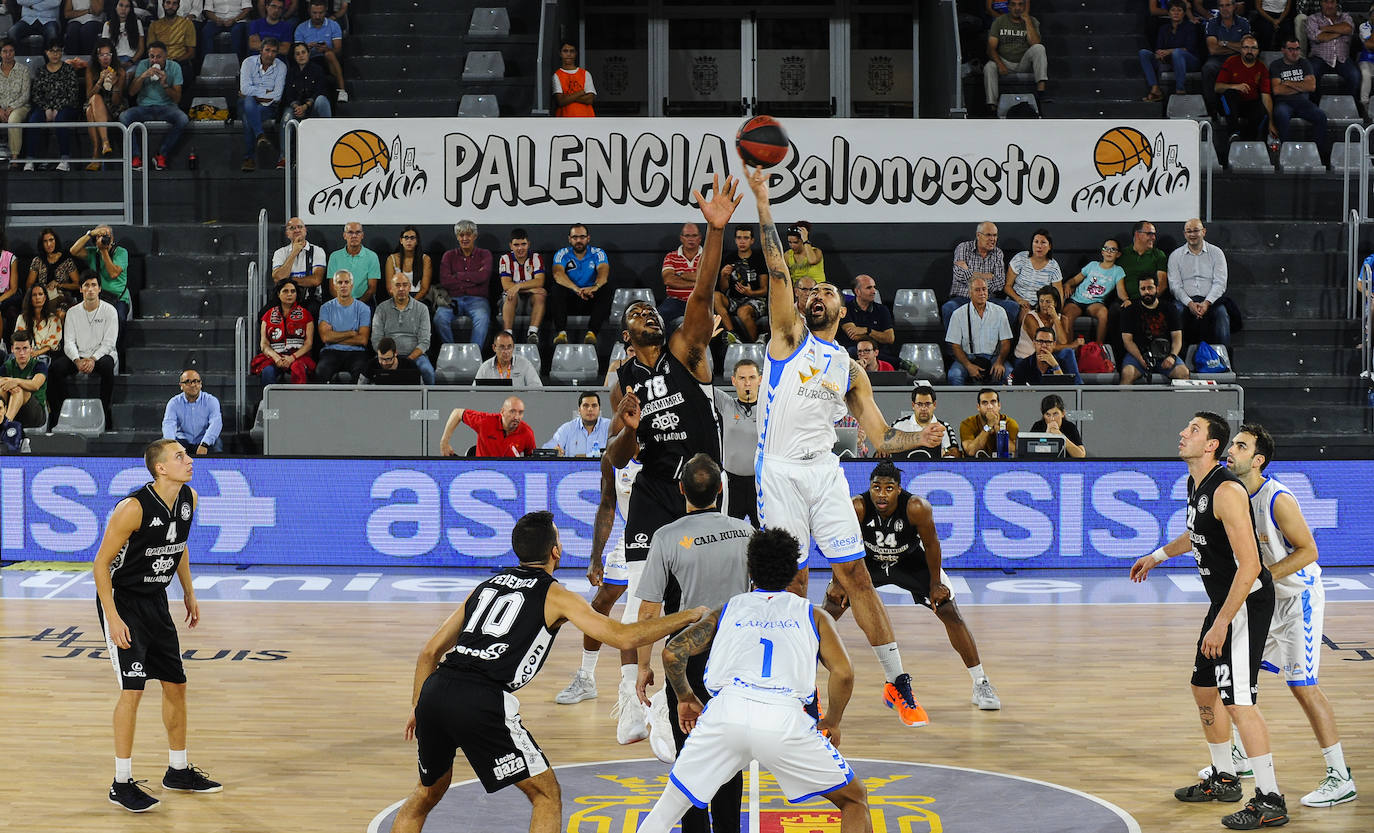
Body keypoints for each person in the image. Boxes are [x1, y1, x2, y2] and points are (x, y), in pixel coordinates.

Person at [743, 161, 931, 728]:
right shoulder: (787, 337)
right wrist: (763, 200)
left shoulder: (850, 368)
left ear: (844, 310)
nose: (817, 295)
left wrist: (920, 436)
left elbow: (879, 439)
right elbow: (777, 268)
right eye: (812, 292)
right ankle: (803, 689)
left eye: (828, 291)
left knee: (854, 576)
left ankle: (897, 681)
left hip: (825, 471)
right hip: (778, 471)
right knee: (795, 580)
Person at [390, 511, 707, 833]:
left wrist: (417, 706)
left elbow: (430, 652)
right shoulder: (556, 595)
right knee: (546, 793)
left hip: (435, 691)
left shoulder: (485, 587)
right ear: (555, 550)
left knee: (427, 792)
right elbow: (622, 636)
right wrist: (688, 616)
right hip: (480, 698)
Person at [605, 175, 739, 749]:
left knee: (700, 598)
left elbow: (703, 294)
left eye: (650, 309)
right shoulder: (623, 382)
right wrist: (629, 433)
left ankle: (698, 690)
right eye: (637, 311)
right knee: (642, 599)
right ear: (626, 334)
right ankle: (632, 699)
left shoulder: (685, 349)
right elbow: (615, 457)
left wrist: (715, 231)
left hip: (701, 486)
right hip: (655, 487)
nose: (647, 313)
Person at [635, 527, 870, 833]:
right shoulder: (814, 616)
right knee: (854, 800)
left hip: (725, 715)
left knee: (665, 813)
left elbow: (673, 652)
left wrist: (685, 698)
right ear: (795, 573)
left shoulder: (728, 609)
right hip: (783, 721)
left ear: (751, 570)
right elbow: (844, 673)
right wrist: (832, 721)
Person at [1129, 413, 1286, 831]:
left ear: (1212, 445)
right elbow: (1196, 534)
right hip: (1223, 604)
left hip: (1245, 604)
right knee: (1203, 688)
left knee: (1238, 702)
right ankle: (1225, 778)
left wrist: (1222, 623)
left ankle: (1270, 798)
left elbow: (1251, 564)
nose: (1183, 433)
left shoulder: (1227, 491)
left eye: (1193, 430)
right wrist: (1157, 556)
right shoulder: (1194, 484)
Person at [1213, 424, 1356, 809]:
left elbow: (1309, 550)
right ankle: (1243, 756)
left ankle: (1340, 776)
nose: (1231, 450)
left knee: (1302, 686)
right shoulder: (1233, 493)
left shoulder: (1277, 498)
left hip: (1297, 602)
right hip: (1267, 602)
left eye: (1240, 446)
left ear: (1258, 460)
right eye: (1232, 444)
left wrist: (1263, 578)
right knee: (1238, 678)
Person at [92, 439, 222, 813]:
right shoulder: (132, 508)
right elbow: (100, 565)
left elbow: (177, 546)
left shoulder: (189, 499)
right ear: (160, 468)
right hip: (124, 601)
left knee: (177, 685)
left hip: (156, 600)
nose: (188, 460)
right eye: (179, 456)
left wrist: (189, 592)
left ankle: (178, 770)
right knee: (133, 691)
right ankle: (121, 782)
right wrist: (113, 617)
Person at [825, 461, 1001, 710]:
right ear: (870, 488)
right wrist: (837, 582)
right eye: (876, 487)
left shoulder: (916, 507)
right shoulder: (858, 507)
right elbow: (838, 542)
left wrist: (936, 583)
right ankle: (800, 684)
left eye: (888, 488)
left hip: (909, 562)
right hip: (869, 564)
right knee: (830, 609)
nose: (882, 494)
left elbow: (931, 545)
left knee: (950, 611)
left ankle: (980, 682)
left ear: (898, 489)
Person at [634, 454, 752, 813]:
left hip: (686, 657)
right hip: (736, 654)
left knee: (691, 753)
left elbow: (649, 609)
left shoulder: (666, 537)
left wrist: (642, 666)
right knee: (730, 750)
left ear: (681, 488)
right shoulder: (746, 532)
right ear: (720, 488)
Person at [552, 450, 640, 706]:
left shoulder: (661, 450)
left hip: (665, 537)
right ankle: (587, 677)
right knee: (601, 603)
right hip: (632, 538)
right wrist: (596, 557)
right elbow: (606, 504)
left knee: (648, 612)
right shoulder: (613, 457)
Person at [46, 273, 117, 430]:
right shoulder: (72, 312)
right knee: (55, 369)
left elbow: (109, 343)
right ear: (81, 289)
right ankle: (63, 412)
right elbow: (69, 342)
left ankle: (105, 411)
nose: (90, 289)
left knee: (107, 365)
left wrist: (93, 359)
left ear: (99, 289)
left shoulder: (110, 311)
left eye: (93, 285)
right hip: (78, 356)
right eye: (86, 285)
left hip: (100, 356)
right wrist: (77, 360)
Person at [121, 40, 188, 171]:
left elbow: (177, 98)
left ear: (166, 57)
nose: (155, 60)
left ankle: (161, 154)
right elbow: (131, 92)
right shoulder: (143, 65)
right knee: (124, 117)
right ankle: (135, 157)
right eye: (152, 56)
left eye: (159, 57)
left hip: (167, 107)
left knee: (183, 119)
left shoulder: (174, 67)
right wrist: (142, 76)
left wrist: (165, 85)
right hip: (144, 108)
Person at [1169, 218, 1231, 350]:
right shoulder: (1175, 256)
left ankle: (1224, 359)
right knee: (1177, 312)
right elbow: (1175, 286)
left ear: (1204, 231)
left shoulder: (1216, 253)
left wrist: (1207, 303)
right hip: (1184, 301)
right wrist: (1189, 303)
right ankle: (1179, 357)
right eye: (1189, 231)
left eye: (1196, 230)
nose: (1192, 234)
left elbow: (1220, 282)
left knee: (1222, 314)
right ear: (1184, 234)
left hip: (1210, 300)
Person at [713, 358, 760, 525]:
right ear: (733, 381)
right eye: (742, 378)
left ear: (760, 379)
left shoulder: (769, 408)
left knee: (765, 537)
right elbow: (700, 383)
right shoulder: (726, 404)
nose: (747, 383)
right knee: (728, 533)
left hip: (760, 484)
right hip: (732, 485)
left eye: (752, 378)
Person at [21, 41, 81, 172]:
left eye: (58, 50)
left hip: (66, 106)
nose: (55, 54)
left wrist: (57, 108)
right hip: (44, 107)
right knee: (33, 121)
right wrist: (47, 108)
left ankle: (65, 159)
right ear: (46, 52)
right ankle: (30, 159)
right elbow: (36, 94)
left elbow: (72, 93)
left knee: (61, 119)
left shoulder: (68, 69)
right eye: (52, 51)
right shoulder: (41, 71)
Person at [434, 219, 493, 352]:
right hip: (452, 300)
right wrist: (473, 278)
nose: (465, 238)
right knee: (440, 318)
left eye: (468, 234)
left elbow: (483, 277)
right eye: (461, 235)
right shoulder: (448, 256)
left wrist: (458, 275)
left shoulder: (485, 254)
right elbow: (445, 281)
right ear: (457, 237)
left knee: (482, 318)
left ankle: (473, 354)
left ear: (475, 236)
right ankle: (452, 352)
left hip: (477, 300)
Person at [944, 222, 1018, 328]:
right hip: (963, 299)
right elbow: (959, 274)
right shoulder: (963, 248)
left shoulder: (998, 253)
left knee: (1012, 307)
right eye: (988, 235)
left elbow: (1000, 283)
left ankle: (997, 341)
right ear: (978, 235)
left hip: (988, 300)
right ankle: (955, 344)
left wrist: (969, 272)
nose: (993, 239)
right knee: (948, 308)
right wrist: (987, 276)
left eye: (995, 235)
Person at [1121, 273, 1189, 384]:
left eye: (1150, 288)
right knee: (1127, 373)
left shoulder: (1170, 308)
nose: (1146, 292)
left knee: (1183, 372)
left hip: (1165, 354)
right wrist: (1140, 359)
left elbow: (1177, 338)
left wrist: (1172, 356)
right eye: (1143, 289)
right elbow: (1127, 341)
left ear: (1157, 288)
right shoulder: (1130, 311)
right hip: (1139, 354)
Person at [945, 275, 1013, 386]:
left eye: (984, 289)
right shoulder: (958, 314)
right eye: (977, 290)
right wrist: (968, 366)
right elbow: (955, 346)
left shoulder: (1000, 312)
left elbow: (1006, 342)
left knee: (1010, 374)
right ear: (970, 293)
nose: (982, 293)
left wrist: (1000, 362)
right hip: (968, 357)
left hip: (994, 357)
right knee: (954, 375)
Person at [550, 223, 610, 345]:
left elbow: (603, 274)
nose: (578, 240)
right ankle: (561, 333)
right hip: (570, 299)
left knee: (605, 288)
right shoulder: (562, 253)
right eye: (575, 237)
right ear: (569, 239)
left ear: (588, 238)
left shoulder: (598, 253)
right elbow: (558, 275)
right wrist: (577, 289)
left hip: (591, 297)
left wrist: (594, 288)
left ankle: (592, 333)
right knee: (557, 289)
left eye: (582, 237)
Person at [1269, 38, 1328, 162]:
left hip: (1302, 103)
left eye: (1297, 49)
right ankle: (1286, 155)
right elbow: (1277, 90)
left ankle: (1317, 155)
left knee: (1321, 116)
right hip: (1283, 102)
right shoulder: (1276, 65)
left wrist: (1288, 83)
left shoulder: (1304, 63)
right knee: (1280, 114)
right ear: (1283, 50)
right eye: (1291, 49)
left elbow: (1311, 86)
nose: (1295, 52)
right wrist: (1301, 86)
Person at [371, 272, 434, 385]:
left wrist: (408, 360)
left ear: (409, 288)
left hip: (416, 356)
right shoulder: (381, 309)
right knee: (368, 371)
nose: (401, 288)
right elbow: (376, 340)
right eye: (397, 285)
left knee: (428, 371)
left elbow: (425, 341)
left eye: (405, 285)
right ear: (391, 289)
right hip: (387, 357)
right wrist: (389, 358)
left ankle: (431, 402)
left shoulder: (422, 309)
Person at [250, 277, 315, 385]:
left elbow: (308, 344)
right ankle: (271, 401)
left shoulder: (306, 315)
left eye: (293, 291)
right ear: (278, 294)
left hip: (298, 356)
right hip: (274, 356)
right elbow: (264, 344)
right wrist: (275, 357)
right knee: (267, 371)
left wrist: (292, 358)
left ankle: (298, 400)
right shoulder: (267, 315)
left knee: (298, 368)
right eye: (285, 291)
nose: (289, 294)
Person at [984, 0, 1047, 110]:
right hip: (1004, 62)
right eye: (1013, 4)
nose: (1017, 8)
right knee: (989, 66)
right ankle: (992, 106)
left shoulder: (1032, 21)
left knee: (1039, 48)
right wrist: (1000, 64)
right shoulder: (999, 22)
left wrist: (1027, 22)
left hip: (1023, 62)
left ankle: (1040, 92)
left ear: (1024, 6)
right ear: (1008, 6)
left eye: (1020, 4)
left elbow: (1035, 43)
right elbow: (991, 49)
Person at [1215, 34, 1274, 146]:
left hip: (1250, 104)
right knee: (1229, 94)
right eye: (1246, 47)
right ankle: (1234, 134)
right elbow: (1217, 87)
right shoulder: (1231, 61)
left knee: (1262, 110)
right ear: (1241, 50)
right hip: (1232, 103)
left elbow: (1266, 95)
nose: (1249, 51)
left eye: (1253, 48)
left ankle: (1249, 139)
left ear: (1258, 51)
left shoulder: (1262, 68)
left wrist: (1271, 122)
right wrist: (1234, 86)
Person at [237, 36, 285, 172]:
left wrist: (255, 94)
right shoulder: (248, 63)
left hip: (269, 106)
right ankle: (260, 135)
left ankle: (249, 158)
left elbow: (277, 95)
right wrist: (266, 93)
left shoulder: (281, 67)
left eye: (274, 51)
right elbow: (245, 89)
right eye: (267, 50)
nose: (270, 54)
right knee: (248, 100)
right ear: (260, 50)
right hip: (246, 104)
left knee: (248, 118)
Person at [314, 269, 371, 383]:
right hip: (331, 351)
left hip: (357, 353)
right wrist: (350, 333)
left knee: (361, 373)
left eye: (346, 282)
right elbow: (325, 338)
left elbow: (362, 340)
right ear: (334, 286)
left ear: (352, 285)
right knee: (321, 370)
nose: (343, 285)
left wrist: (334, 337)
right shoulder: (326, 308)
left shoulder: (363, 308)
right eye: (340, 282)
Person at [714, 224, 768, 343]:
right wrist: (723, 275)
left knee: (742, 311)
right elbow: (723, 289)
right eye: (739, 238)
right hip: (734, 299)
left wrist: (751, 292)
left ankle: (755, 344)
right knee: (715, 296)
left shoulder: (759, 258)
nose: (742, 241)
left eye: (746, 238)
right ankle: (733, 336)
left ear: (752, 240)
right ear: (735, 240)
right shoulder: (728, 258)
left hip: (755, 299)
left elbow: (765, 289)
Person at [1063, 238, 1123, 345]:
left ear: (1118, 254)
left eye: (1113, 249)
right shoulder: (1093, 265)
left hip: (1095, 303)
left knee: (1103, 313)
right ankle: (1070, 349)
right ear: (1102, 252)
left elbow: (1121, 291)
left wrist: (1126, 299)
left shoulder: (1118, 271)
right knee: (1067, 317)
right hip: (1077, 300)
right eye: (1106, 248)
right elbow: (1076, 279)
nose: (1109, 252)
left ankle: (1098, 348)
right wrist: (1068, 284)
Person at [1141, 1, 1203, 101]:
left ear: (1184, 13)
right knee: (1143, 53)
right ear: (1169, 13)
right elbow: (1159, 47)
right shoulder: (1163, 29)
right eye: (1173, 10)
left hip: (1190, 61)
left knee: (1177, 53)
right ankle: (1155, 89)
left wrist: (1169, 51)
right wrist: (1159, 53)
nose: (1176, 13)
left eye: (1179, 10)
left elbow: (1189, 48)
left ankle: (1180, 90)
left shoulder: (1190, 27)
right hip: (1169, 60)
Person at [438, 396, 536, 458]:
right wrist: (444, 443)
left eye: (520, 412)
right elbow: (457, 413)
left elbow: (533, 461)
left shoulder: (527, 432)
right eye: (512, 411)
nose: (516, 417)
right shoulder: (486, 421)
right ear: (502, 412)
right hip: (483, 474)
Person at [70, 225, 131, 322]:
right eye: (99, 236)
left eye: (106, 236)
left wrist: (104, 251)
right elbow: (73, 251)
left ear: (112, 238)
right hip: (98, 297)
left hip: (118, 298)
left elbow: (113, 273)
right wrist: (91, 234)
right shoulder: (93, 252)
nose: (102, 239)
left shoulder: (121, 252)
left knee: (119, 318)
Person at [1202, 0, 1251, 119]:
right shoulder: (1212, 22)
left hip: (1237, 59)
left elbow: (1247, 47)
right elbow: (1213, 49)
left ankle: (1244, 111)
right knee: (1208, 68)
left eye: (1228, 5)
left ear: (1234, 6)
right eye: (1221, 6)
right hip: (1217, 59)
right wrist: (1237, 47)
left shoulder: (1243, 22)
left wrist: (1224, 43)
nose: (1224, 8)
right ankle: (1212, 109)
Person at [0, 330, 50, 443]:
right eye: (18, 349)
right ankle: (5, 423)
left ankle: (5, 426)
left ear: (31, 349)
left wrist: (16, 381)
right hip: (14, 411)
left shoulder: (39, 365)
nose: (22, 353)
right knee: (3, 389)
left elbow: (35, 385)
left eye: (25, 348)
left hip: (35, 414)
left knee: (20, 390)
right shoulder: (7, 366)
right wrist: (9, 383)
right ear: (12, 349)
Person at [83, 39, 126, 170]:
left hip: (112, 108)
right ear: (97, 57)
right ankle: (105, 143)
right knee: (93, 104)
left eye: (108, 54)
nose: (105, 58)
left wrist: (115, 85)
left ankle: (96, 153)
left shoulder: (120, 71)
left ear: (113, 55)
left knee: (90, 111)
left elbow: (116, 101)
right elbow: (89, 95)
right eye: (102, 55)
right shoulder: (91, 70)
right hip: (94, 104)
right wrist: (100, 81)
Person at [498, 228, 546, 343]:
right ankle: (507, 335)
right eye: (516, 245)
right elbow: (506, 285)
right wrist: (529, 288)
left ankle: (532, 333)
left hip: (531, 302)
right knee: (511, 295)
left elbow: (539, 282)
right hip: (513, 301)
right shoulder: (505, 259)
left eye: (523, 244)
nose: (520, 248)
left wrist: (517, 286)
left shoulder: (536, 257)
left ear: (528, 244)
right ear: (511, 246)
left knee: (540, 295)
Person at [889, 381, 960, 459]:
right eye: (919, 404)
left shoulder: (943, 427)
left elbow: (955, 454)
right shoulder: (898, 425)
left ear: (934, 405)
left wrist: (946, 452)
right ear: (913, 405)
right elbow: (884, 448)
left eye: (927, 404)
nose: (923, 408)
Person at [1306, 0, 1358, 101]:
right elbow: (1318, 37)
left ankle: (1348, 107)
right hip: (1319, 58)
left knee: (1355, 76)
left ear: (1336, 4)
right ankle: (1316, 106)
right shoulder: (1313, 18)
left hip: (1342, 58)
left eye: (1332, 2)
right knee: (1311, 73)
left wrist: (1325, 28)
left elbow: (1348, 28)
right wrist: (1339, 32)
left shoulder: (1345, 17)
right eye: (1326, 2)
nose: (1329, 6)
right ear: (1321, 3)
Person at [293, 0, 345, 101]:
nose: (317, 16)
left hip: (328, 60)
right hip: (309, 59)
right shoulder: (301, 28)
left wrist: (327, 49)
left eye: (320, 13)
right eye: (314, 13)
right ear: (309, 11)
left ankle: (342, 90)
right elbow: (296, 50)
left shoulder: (334, 25)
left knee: (329, 54)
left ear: (325, 11)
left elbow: (338, 49)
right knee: (301, 55)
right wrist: (307, 48)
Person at [160, 368, 221, 452]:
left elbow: (216, 423)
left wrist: (205, 443)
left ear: (201, 384)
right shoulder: (174, 403)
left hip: (204, 439)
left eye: (196, 381)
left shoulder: (211, 401)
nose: (193, 385)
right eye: (188, 382)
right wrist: (172, 445)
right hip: (182, 440)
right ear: (181, 385)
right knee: (166, 446)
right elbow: (169, 424)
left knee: (216, 444)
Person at [270, 216, 326, 308]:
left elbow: (316, 280)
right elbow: (278, 277)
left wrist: (288, 280)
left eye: (300, 227)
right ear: (287, 233)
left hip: (309, 299)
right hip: (284, 299)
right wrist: (294, 253)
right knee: (263, 313)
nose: (297, 230)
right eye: (292, 228)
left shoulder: (317, 251)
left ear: (305, 230)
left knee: (313, 310)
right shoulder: (280, 253)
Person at [838, 274, 895, 361]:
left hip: (877, 352)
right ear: (857, 292)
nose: (874, 291)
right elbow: (855, 336)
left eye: (874, 287)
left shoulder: (882, 309)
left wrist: (867, 330)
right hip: (854, 352)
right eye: (869, 288)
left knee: (875, 353)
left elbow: (890, 338)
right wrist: (879, 337)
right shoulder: (845, 309)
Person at [659, 222, 704, 328]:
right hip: (675, 301)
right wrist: (698, 282)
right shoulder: (671, 256)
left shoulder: (707, 256)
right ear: (681, 238)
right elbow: (668, 280)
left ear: (700, 238)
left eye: (694, 235)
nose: (691, 239)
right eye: (687, 236)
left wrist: (680, 274)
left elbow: (709, 279)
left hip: (701, 301)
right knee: (658, 319)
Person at [325, 221, 380, 305]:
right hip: (340, 302)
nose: (354, 236)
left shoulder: (372, 256)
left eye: (358, 232)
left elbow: (372, 288)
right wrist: (344, 303)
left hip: (364, 302)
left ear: (362, 235)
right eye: (350, 232)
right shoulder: (334, 257)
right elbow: (332, 288)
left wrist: (356, 306)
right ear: (344, 235)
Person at [279, 39, 330, 129]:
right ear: (294, 57)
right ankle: (285, 143)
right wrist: (297, 107)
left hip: (312, 107)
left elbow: (320, 91)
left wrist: (305, 106)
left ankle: (328, 134)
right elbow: (288, 94)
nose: (301, 56)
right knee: (287, 117)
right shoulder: (291, 72)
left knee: (321, 100)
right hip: (296, 108)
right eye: (297, 54)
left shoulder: (317, 69)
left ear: (308, 54)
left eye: (303, 52)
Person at [543, 390, 609, 456]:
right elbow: (546, 450)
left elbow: (616, 453)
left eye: (594, 405)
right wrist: (554, 451)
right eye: (586, 406)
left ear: (599, 409)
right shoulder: (567, 428)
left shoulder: (609, 427)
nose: (590, 409)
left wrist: (586, 456)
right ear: (579, 410)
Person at [1013, 325, 1083, 385]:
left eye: (1048, 342)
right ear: (1034, 343)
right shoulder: (1024, 364)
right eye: (1040, 341)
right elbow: (1010, 387)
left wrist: (1055, 366)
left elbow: (1067, 393)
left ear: (1054, 344)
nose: (1043, 345)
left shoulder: (1063, 363)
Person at [146, 0, 195, 85]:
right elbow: (150, 50)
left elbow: (191, 53)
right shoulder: (154, 25)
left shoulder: (187, 24)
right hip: (158, 62)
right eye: (168, 3)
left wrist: (175, 62)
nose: (171, 6)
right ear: (163, 5)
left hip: (180, 62)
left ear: (178, 6)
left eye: (174, 3)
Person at [960, 388, 1019, 458]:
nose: (989, 407)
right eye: (985, 403)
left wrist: (997, 428)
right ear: (978, 407)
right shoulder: (967, 424)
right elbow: (971, 452)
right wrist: (989, 425)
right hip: (975, 466)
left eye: (993, 402)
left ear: (999, 405)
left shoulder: (1010, 423)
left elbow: (1014, 452)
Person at [0, 39, 32, 165]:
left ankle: (15, 158)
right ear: (0, 53)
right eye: (4, 51)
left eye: (11, 51)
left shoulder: (23, 70)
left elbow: (25, 95)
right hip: (1, 108)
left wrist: (11, 107)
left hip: (20, 107)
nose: (8, 54)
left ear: (14, 52)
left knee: (13, 119)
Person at [15, 281, 64, 358]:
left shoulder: (53, 319)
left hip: (44, 356)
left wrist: (37, 353)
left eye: (40, 294)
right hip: (23, 355)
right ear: (30, 298)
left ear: (44, 298)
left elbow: (52, 343)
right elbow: (18, 340)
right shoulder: (22, 318)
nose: (37, 297)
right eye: (34, 295)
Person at [382, 227, 430, 306]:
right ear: (401, 240)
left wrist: (410, 303)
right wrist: (401, 301)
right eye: (406, 237)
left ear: (417, 241)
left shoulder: (425, 259)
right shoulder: (391, 259)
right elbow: (390, 288)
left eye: (412, 238)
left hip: (418, 298)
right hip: (397, 296)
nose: (409, 241)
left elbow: (424, 289)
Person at [475, 330, 541, 387]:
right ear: (494, 348)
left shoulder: (525, 365)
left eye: (509, 347)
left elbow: (537, 390)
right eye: (502, 347)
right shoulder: (485, 367)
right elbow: (474, 393)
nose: (506, 351)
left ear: (513, 347)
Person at [196, 0, 250, 66]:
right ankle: (208, 65)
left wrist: (234, 19)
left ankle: (235, 65)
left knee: (237, 32)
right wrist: (216, 19)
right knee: (206, 31)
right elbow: (208, 10)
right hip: (216, 19)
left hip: (237, 20)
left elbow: (247, 9)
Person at [1029, 393, 1085, 457]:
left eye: (1055, 414)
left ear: (1063, 413)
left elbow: (1081, 455)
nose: (1052, 419)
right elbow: (1030, 454)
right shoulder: (1037, 426)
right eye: (1048, 415)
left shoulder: (1070, 427)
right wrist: (1047, 436)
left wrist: (1061, 436)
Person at [552, 40, 595, 117]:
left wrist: (568, 97)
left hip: (586, 119)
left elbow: (590, 99)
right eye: (565, 51)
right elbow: (561, 101)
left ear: (576, 53)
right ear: (560, 54)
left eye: (572, 51)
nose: (568, 54)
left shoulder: (585, 74)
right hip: (566, 119)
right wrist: (581, 92)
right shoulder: (557, 75)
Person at [101, 0, 146, 68]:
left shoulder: (137, 23)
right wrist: (114, 62)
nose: (123, 9)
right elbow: (105, 49)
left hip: (132, 60)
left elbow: (141, 49)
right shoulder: (107, 25)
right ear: (116, 7)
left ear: (130, 9)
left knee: (129, 74)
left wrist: (131, 62)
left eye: (127, 6)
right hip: (114, 60)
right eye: (121, 5)